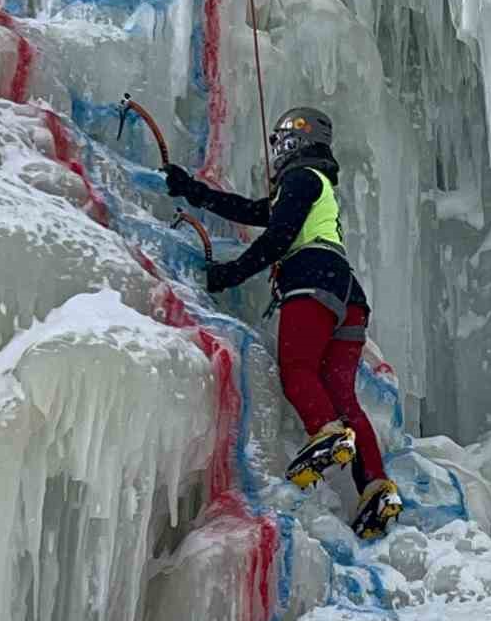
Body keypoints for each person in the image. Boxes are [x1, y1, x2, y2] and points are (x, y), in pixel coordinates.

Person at [163, 107, 402, 540]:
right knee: (341, 392)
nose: (275, 148)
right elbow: (256, 211)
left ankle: (326, 434)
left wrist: (229, 273)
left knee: (297, 370)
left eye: (280, 139)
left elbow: (278, 238)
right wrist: (194, 191)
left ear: (297, 138)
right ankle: (376, 488)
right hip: (348, 296)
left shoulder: (303, 177)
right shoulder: (315, 184)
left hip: (313, 278)